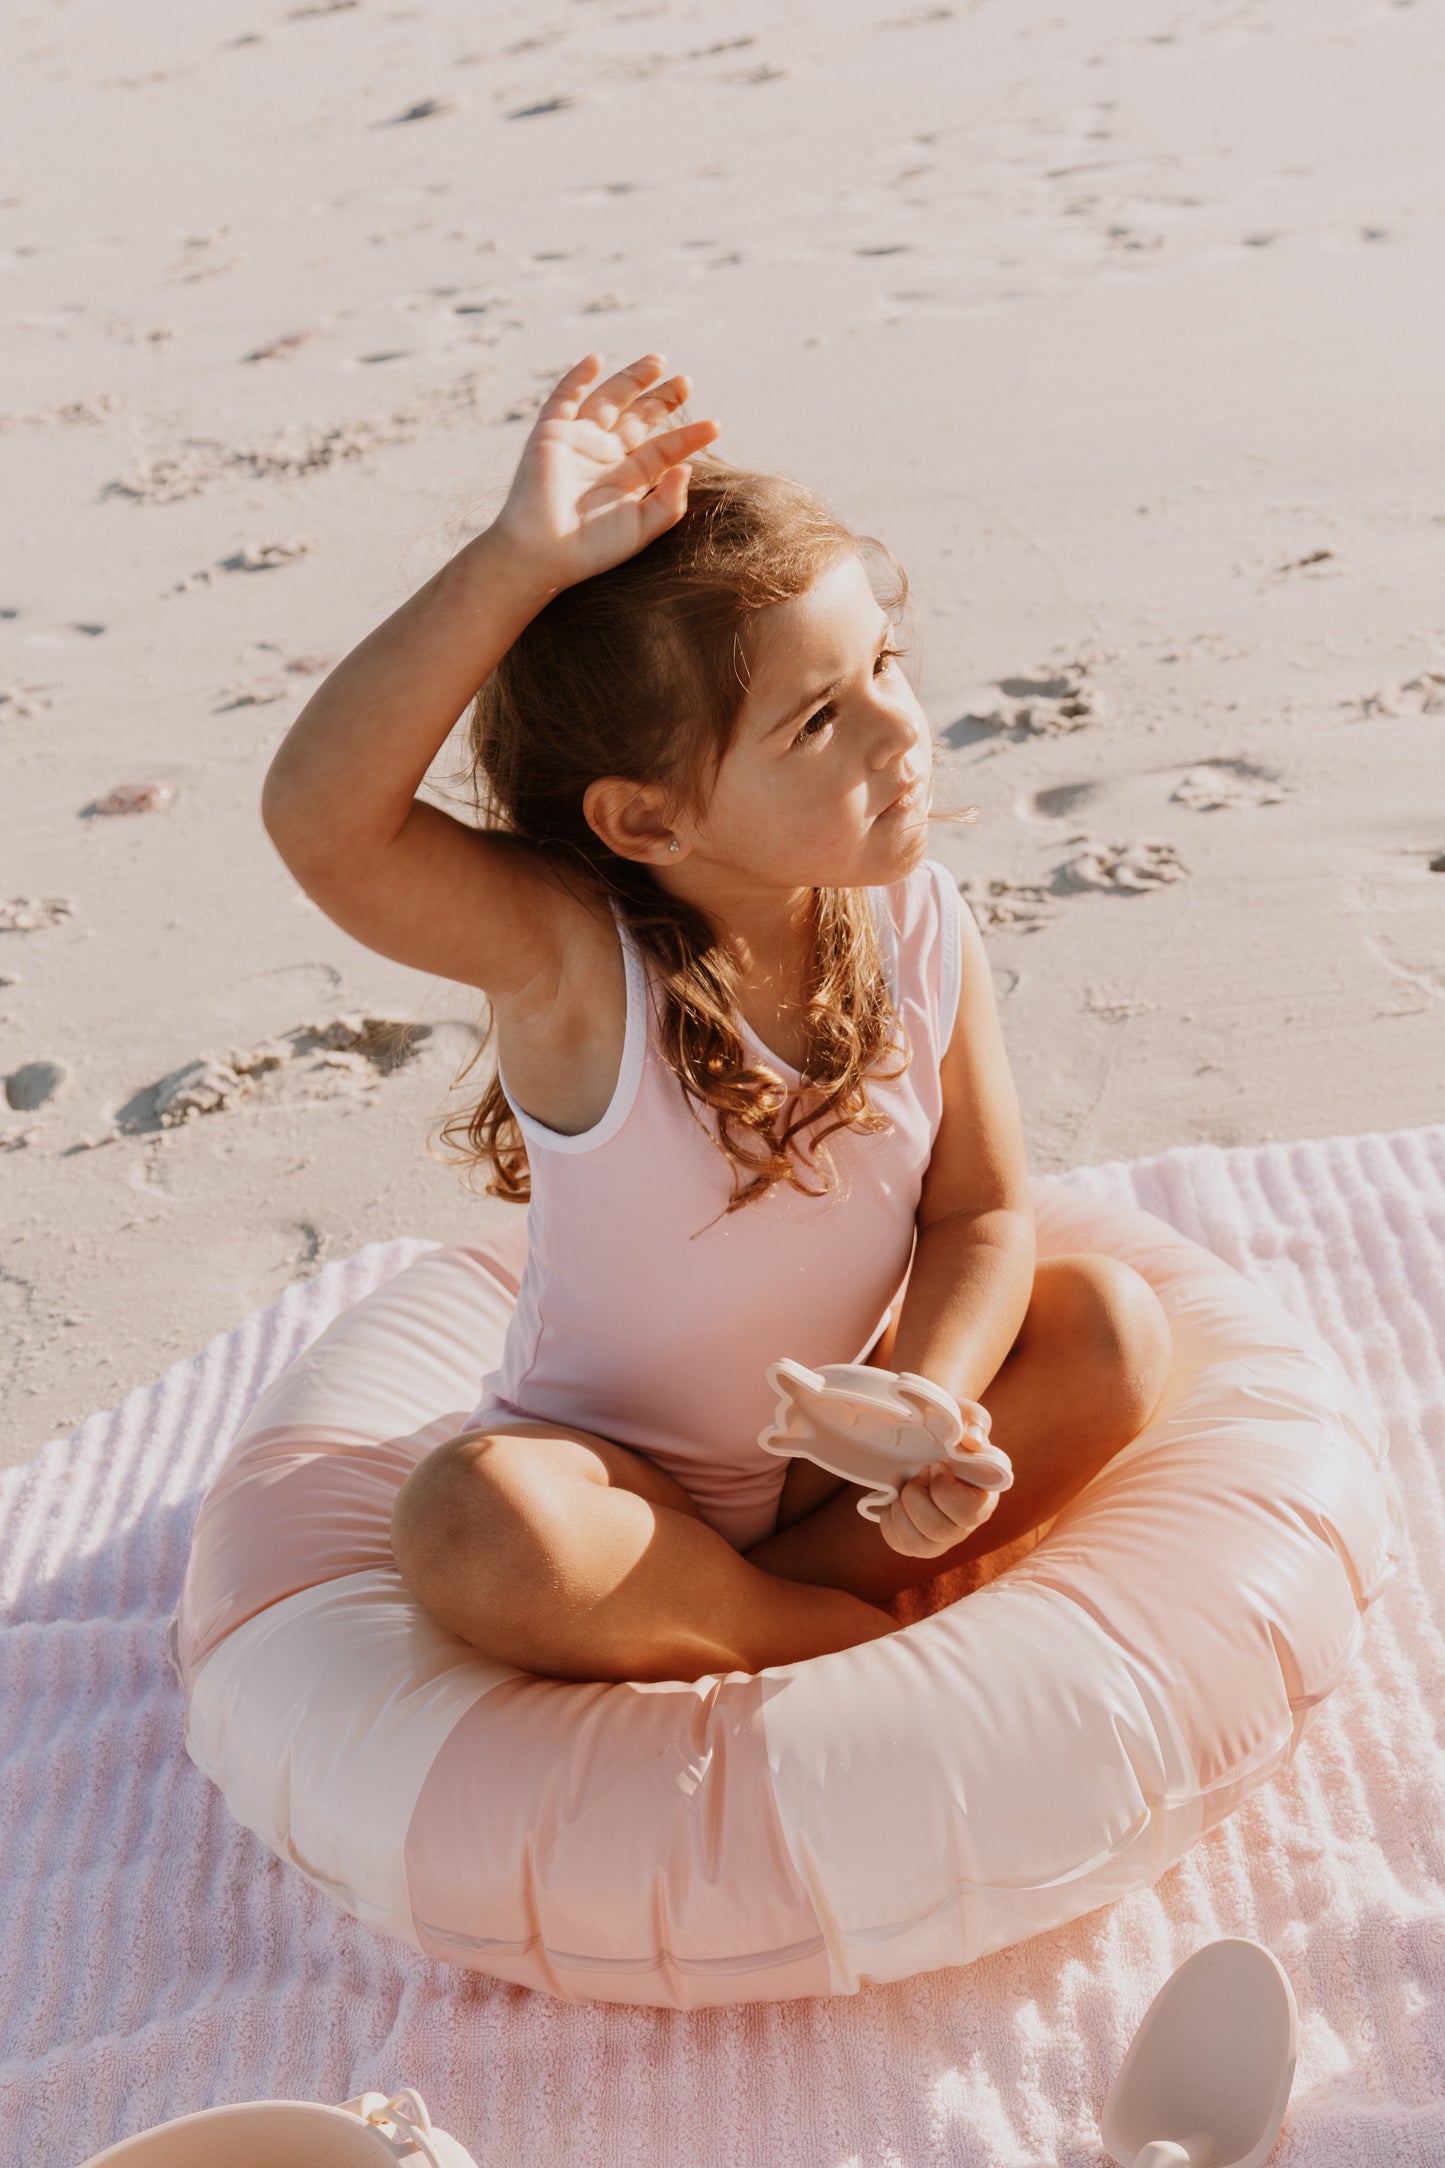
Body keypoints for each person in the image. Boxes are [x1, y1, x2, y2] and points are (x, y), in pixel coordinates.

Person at [261, 351, 1171, 1686]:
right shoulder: (578, 961)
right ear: (646, 816)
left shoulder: (914, 914)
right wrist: (515, 563)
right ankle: (836, 1639)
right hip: (616, 1489)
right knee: (473, 1530)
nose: (898, 734)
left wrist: (924, 1406)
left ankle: (761, 1609)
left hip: (828, 1473)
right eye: (817, 719)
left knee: (1107, 1331)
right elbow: (323, 823)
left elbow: (974, 1212)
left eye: (884, 666)